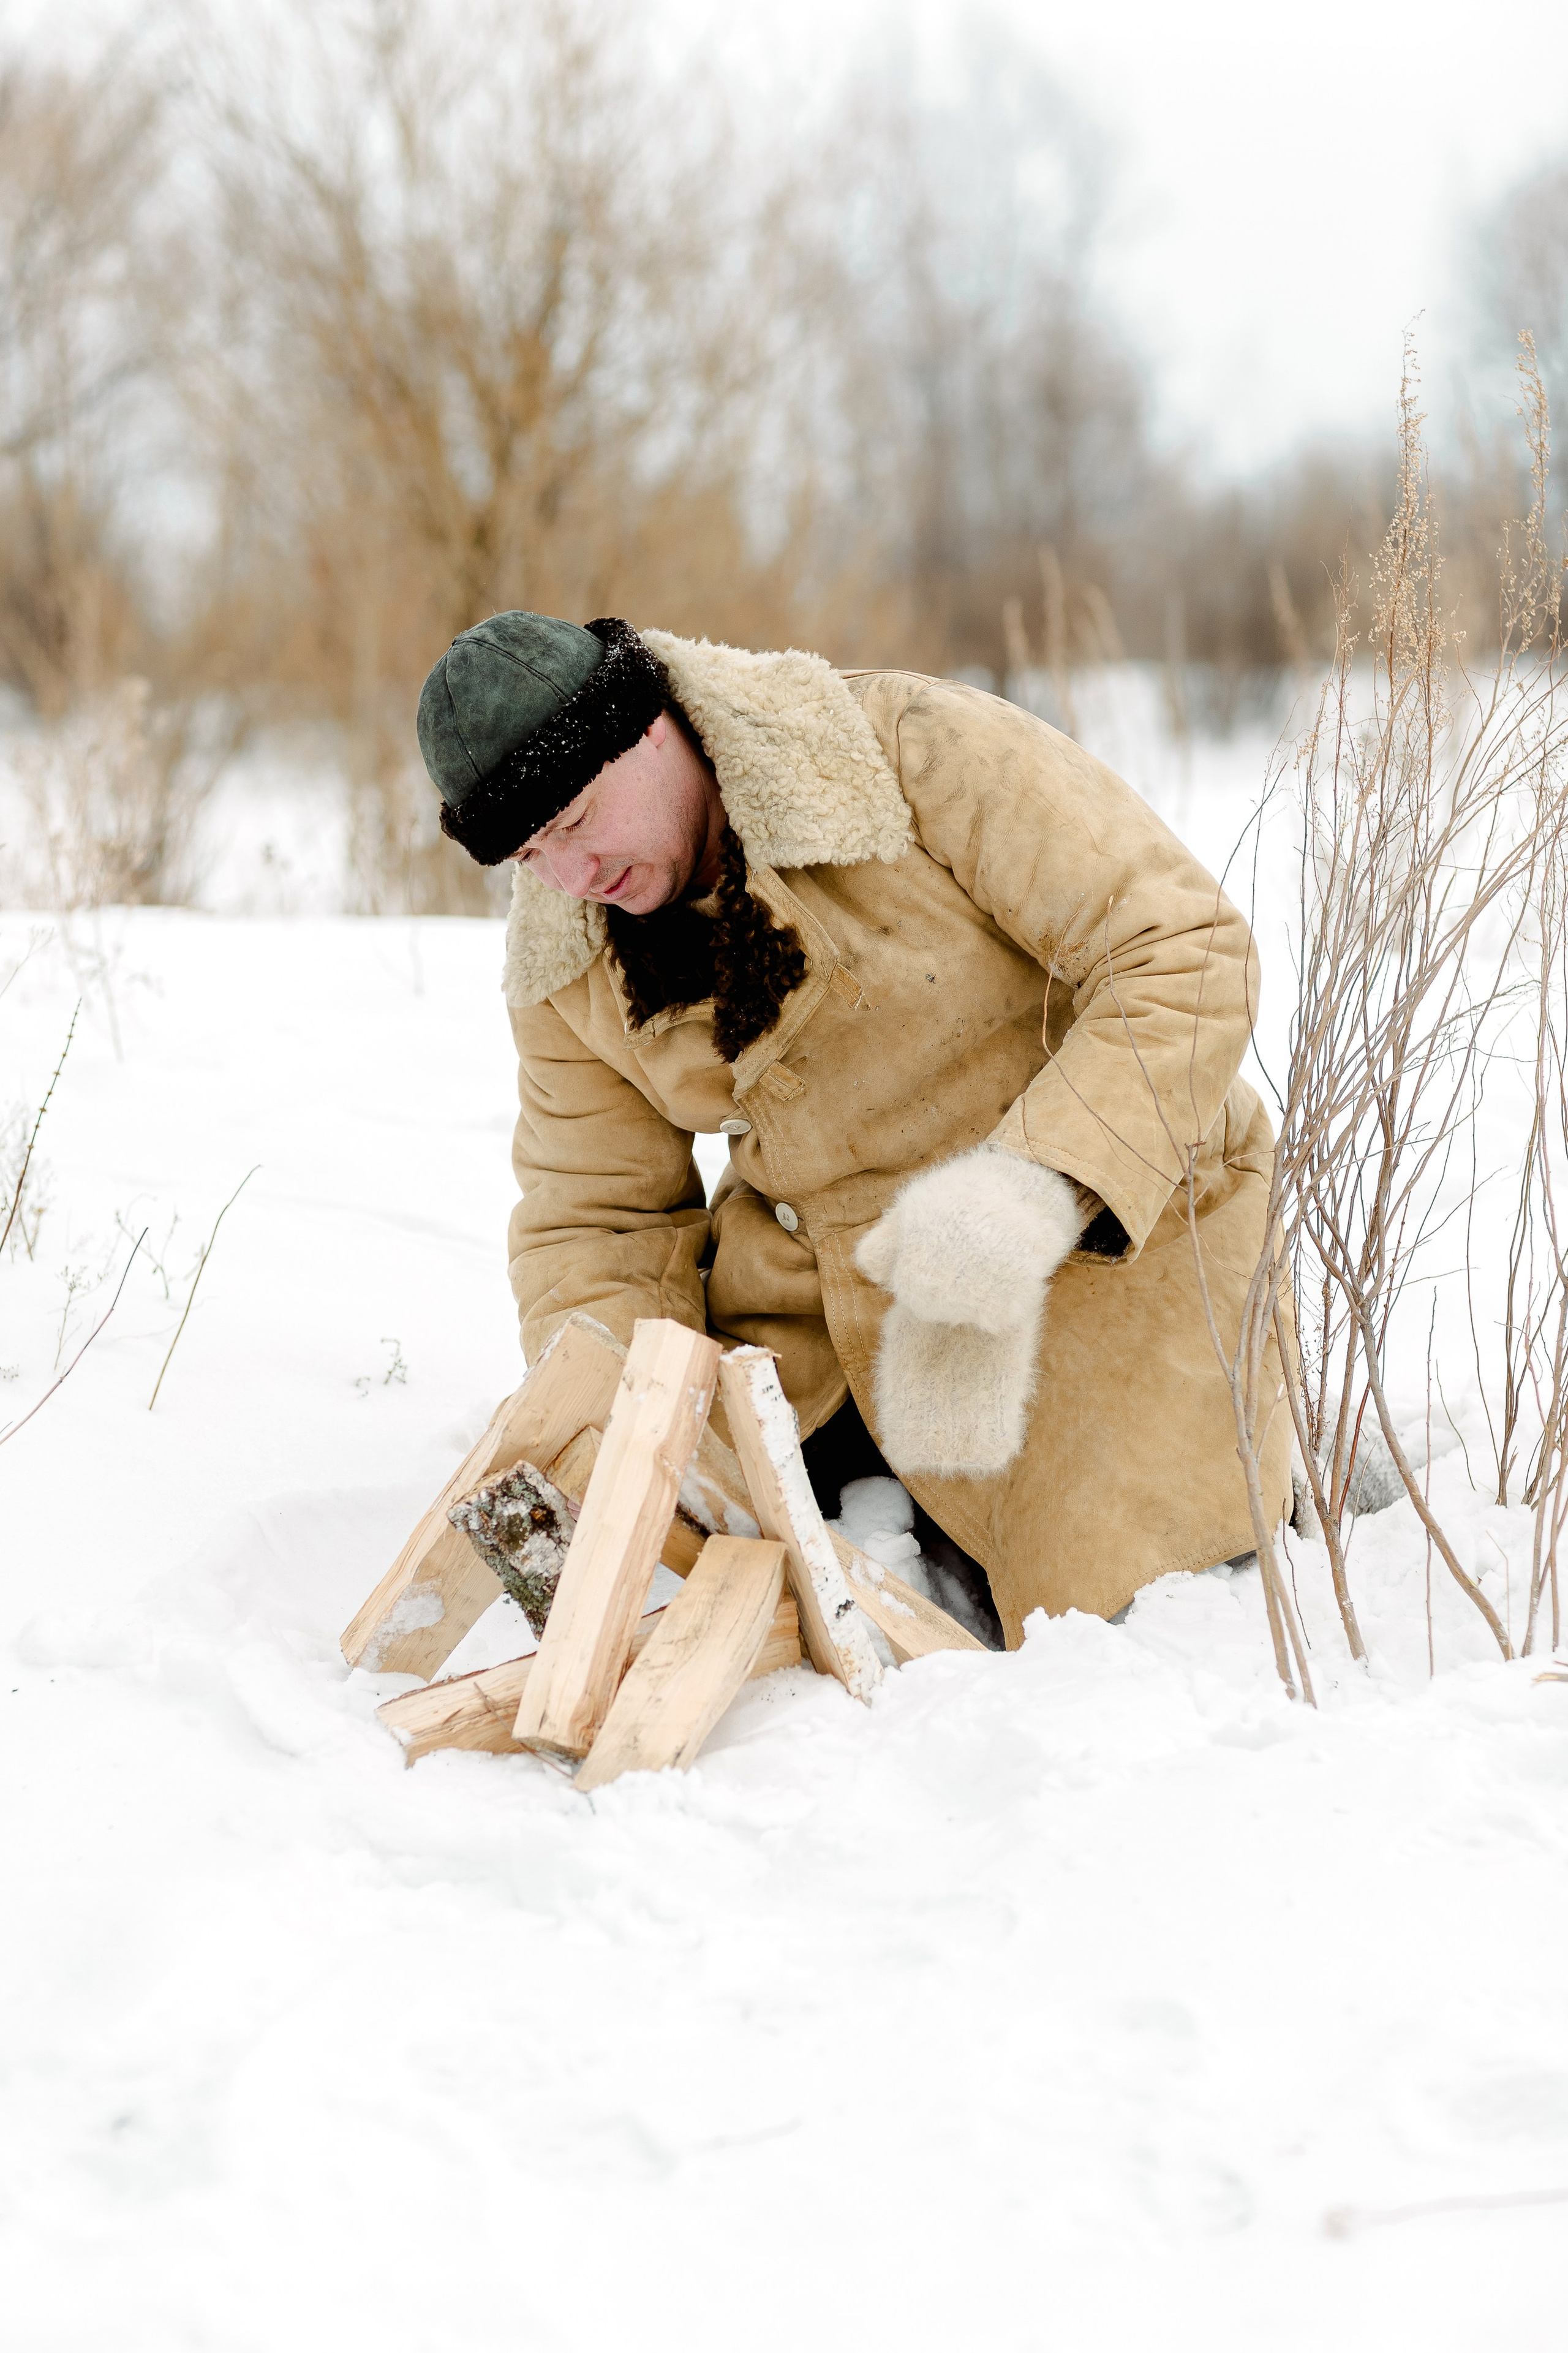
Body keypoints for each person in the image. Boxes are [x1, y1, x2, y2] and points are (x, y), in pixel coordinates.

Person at [415, 611, 1291, 1647]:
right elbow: (598, 1216)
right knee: (716, 1559)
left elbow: (1183, 952)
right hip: (822, 1312)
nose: (570, 875)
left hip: (1093, 1234)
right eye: (530, 853)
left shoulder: (904, 749)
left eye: (576, 820)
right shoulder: (563, 953)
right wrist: (616, 1411)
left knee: (1103, 1592)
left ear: (648, 729)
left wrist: (1038, 1184)